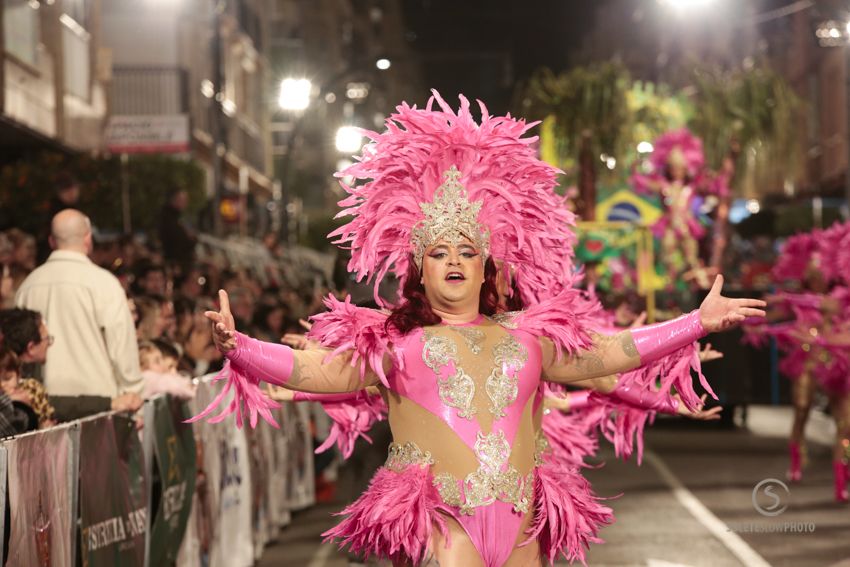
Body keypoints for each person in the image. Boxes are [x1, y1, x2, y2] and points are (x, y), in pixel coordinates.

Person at [192, 93, 766, 566]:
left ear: (486, 264)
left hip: (521, 528)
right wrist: (237, 345)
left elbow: (606, 354)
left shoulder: (528, 337)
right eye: (439, 252)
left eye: (467, 250)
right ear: (420, 267)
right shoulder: (394, 343)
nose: (454, 261)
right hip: (444, 526)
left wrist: (695, 322)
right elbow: (313, 369)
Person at [15, 210, 143, 399]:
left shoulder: (28, 286)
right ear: (88, 239)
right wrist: (133, 392)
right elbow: (121, 343)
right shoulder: (104, 283)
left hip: (45, 403)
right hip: (100, 402)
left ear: (51, 241)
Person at [0, 307, 142, 422]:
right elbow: (54, 405)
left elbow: (49, 403)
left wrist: (110, 404)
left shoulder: (30, 371)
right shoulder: (12, 381)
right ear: (31, 348)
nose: (49, 344)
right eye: (46, 339)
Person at [158, 189, 197, 269]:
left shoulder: (179, 217)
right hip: (177, 263)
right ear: (173, 200)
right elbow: (179, 240)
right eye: (182, 200)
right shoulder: (168, 218)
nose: (185, 203)